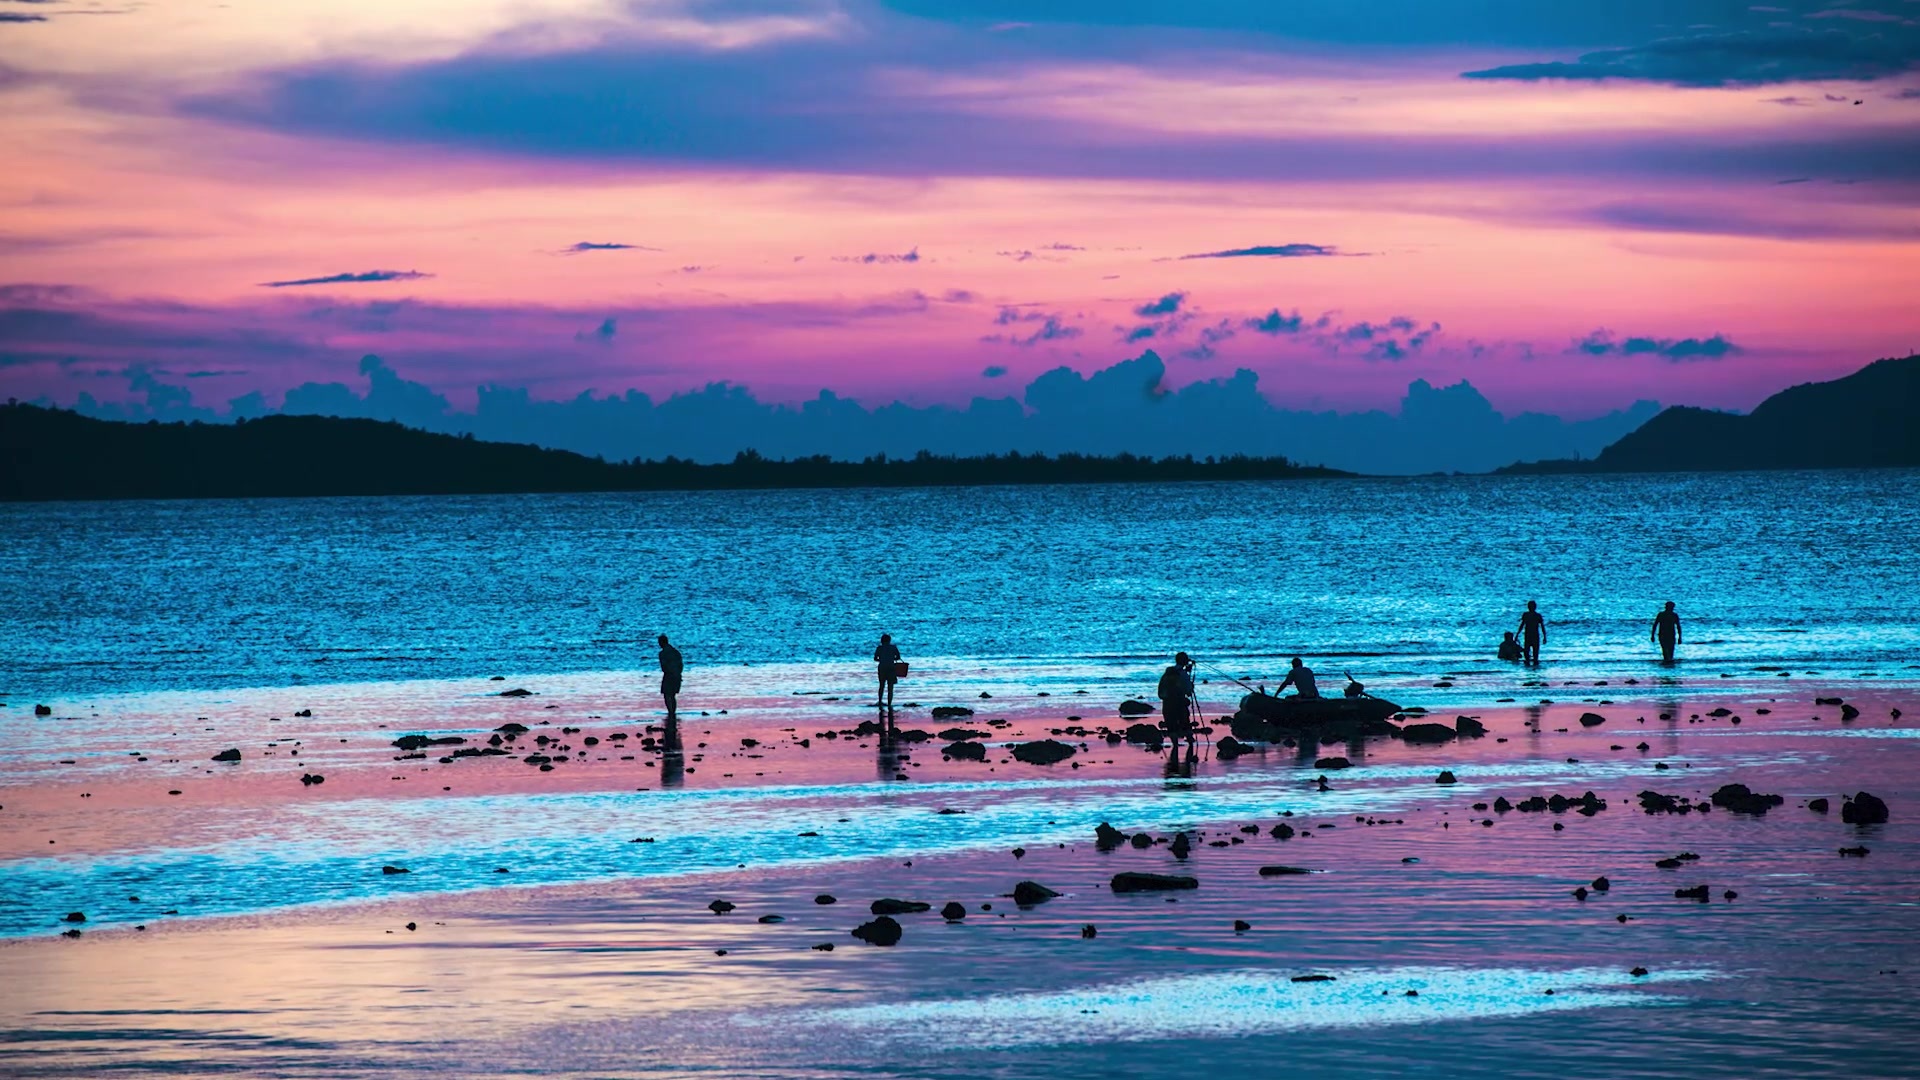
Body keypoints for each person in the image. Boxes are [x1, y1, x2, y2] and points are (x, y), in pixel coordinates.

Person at [1157, 652, 1197, 746]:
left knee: (1171, 724)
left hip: (1167, 703)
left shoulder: (1168, 673)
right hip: (1179, 703)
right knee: (1185, 723)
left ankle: (1175, 744)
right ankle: (1190, 742)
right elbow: (1188, 691)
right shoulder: (1183, 674)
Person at [656, 634, 684, 721]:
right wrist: (678, 674)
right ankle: (673, 712)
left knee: (667, 695)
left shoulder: (662, 653)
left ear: (662, 642)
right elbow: (681, 665)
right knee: (672, 695)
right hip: (677, 675)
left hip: (669, 675)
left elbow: (663, 667)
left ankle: (670, 712)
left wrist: (670, 672)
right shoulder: (676, 652)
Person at [873, 633, 902, 710]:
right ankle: (889, 703)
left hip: (882, 667)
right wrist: (891, 659)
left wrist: (882, 660)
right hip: (891, 667)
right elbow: (898, 657)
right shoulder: (893, 647)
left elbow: (875, 658)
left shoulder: (879, 648)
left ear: (882, 640)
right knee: (890, 687)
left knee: (881, 685)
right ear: (889, 640)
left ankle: (880, 701)